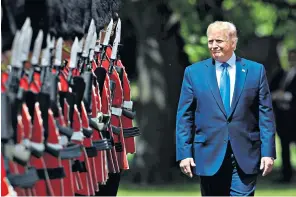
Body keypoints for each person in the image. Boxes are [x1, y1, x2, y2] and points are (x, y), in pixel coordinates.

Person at [176, 21, 276, 196]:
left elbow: (265, 114)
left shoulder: (255, 71)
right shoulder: (194, 73)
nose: (214, 46)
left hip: (245, 154)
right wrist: (184, 153)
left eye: (219, 41)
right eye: (210, 41)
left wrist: (268, 153)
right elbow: (185, 116)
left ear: (233, 43)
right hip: (208, 155)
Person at [270, 49, 296, 183]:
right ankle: (286, 175)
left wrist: (283, 95)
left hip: (294, 116)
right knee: (284, 146)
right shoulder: (281, 73)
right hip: (283, 117)